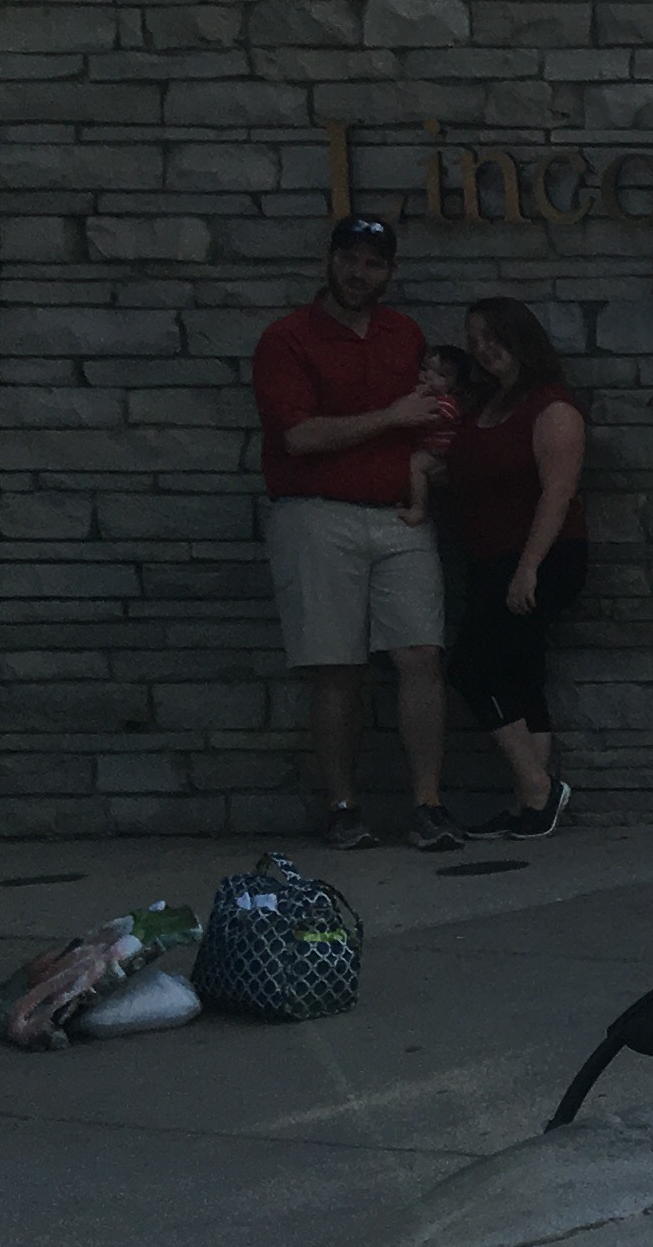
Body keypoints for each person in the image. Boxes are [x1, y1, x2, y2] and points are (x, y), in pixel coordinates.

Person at [251, 213, 461, 850]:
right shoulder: (288, 338)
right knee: (336, 666)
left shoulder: (405, 334)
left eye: (372, 263)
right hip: (317, 513)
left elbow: (430, 414)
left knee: (421, 654)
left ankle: (427, 803)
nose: (358, 272)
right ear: (330, 261)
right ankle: (342, 805)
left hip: (400, 514)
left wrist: (437, 456)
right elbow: (299, 435)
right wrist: (390, 417)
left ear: (389, 272)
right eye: (349, 259)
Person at [440, 295, 592, 839]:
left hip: (539, 556)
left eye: (493, 336)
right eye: (474, 339)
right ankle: (532, 806)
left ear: (520, 336)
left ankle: (538, 788)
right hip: (488, 557)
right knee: (520, 670)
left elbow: (558, 492)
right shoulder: (485, 403)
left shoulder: (551, 407)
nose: (483, 348)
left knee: (472, 669)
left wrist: (528, 568)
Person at [397, 341, 469, 529]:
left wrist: (416, 397)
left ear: (456, 385)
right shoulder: (433, 398)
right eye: (425, 369)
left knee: (416, 465)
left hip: (441, 453)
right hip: (428, 448)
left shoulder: (448, 402)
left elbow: (428, 417)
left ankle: (418, 508)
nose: (428, 376)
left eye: (440, 374)